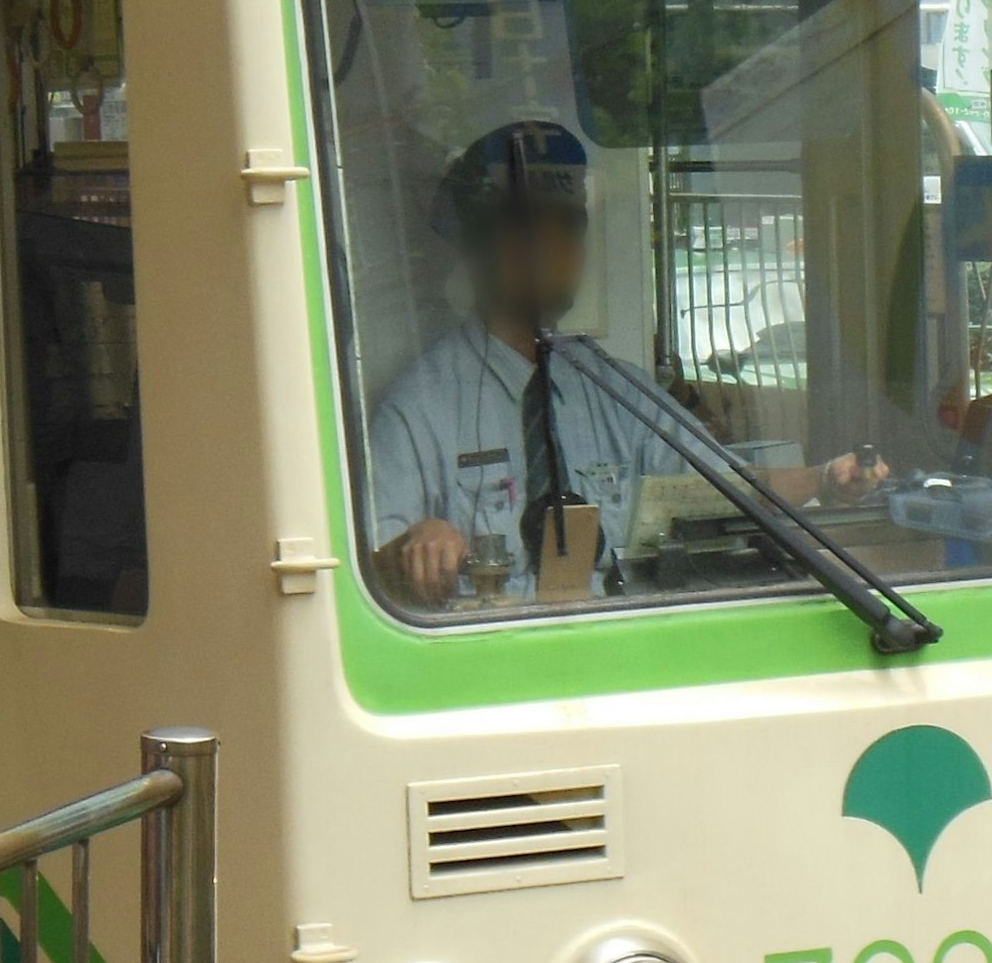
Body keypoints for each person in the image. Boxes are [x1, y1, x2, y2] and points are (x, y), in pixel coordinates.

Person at [366, 121, 879, 607]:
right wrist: (416, 542)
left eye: (569, 225)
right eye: (525, 224)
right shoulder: (419, 409)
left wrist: (824, 479)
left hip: (618, 641)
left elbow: (724, 487)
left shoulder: (612, 388)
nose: (553, 246)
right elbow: (367, 571)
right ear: (479, 244)